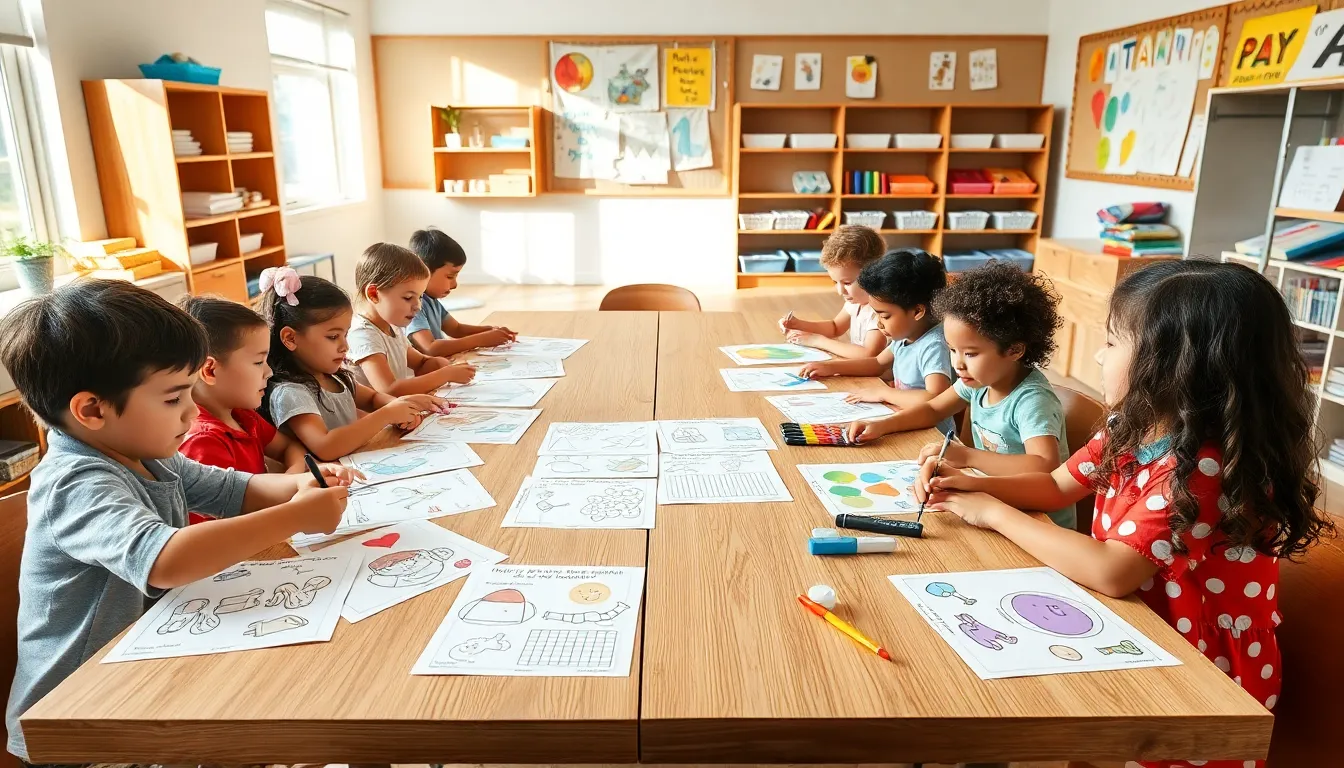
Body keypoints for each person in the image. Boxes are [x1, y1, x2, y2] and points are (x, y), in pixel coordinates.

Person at [918, 261, 1334, 768]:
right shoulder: (1133, 425)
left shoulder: (1206, 465)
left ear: (1176, 362)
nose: (1097, 354)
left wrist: (993, 512)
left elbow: (1114, 570)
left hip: (1197, 668)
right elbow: (1054, 485)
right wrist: (971, 484)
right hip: (1134, 631)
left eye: (1113, 342)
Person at [0, 279, 349, 763]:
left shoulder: (147, 452)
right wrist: (294, 516)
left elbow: (234, 490)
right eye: (173, 399)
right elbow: (164, 559)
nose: (191, 414)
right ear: (92, 410)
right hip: (79, 720)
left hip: (146, 668)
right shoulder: (76, 482)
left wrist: (299, 486)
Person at [847, 261, 1073, 528]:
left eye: (971, 353)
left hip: (1038, 522)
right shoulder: (978, 381)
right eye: (952, 350)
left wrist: (966, 457)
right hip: (995, 504)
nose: (957, 364)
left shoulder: (1032, 400)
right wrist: (881, 425)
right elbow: (933, 409)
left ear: (1014, 350)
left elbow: (1044, 466)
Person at [178, 296, 359, 524]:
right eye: (257, 362)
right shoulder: (203, 442)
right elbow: (226, 531)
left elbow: (290, 447)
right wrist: (293, 495)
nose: (269, 372)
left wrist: (294, 481)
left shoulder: (240, 415)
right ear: (211, 370)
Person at [259, 268, 447, 461]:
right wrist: (387, 415)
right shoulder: (290, 393)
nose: (345, 346)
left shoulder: (334, 376)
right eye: (333, 337)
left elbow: (373, 398)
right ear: (290, 338)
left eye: (345, 334)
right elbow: (325, 446)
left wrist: (404, 406)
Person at [799, 248, 955, 434]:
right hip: (905, 422)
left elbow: (936, 397)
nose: (879, 324)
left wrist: (884, 393)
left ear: (917, 312)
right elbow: (878, 363)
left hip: (930, 435)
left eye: (885, 316)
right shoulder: (907, 334)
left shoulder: (933, 344)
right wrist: (831, 368)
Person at [349, 242, 476, 396]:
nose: (418, 306)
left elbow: (421, 363)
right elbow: (389, 389)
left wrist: (440, 364)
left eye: (420, 297)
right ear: (374, 294)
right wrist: (446, 374)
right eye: (408, 297)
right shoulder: (363, 334)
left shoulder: (392, 327)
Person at [778, 224, 888, 359]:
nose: (840, 291)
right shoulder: (855, 302)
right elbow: (835, 327)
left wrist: (818, 341)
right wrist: (798, 324)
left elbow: (869, 354)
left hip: (879, 379)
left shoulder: (881, 309)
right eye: (835, 282)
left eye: (847, 283)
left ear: (874, 273)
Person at [405, 226, 516, 357]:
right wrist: (481, 340)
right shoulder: (412, 305)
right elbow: (430, 348)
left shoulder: (431, 300)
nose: (455, 285)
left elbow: (456, 329)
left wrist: (490, 330)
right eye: (450, 276)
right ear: (423, 270)